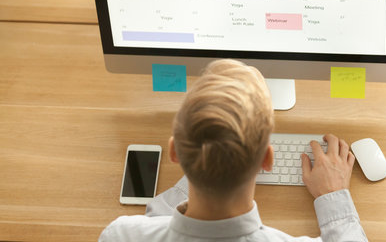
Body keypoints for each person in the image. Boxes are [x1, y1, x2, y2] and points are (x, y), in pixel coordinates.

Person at [99, 59, 368, 241]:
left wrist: (209, 152)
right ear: (267, 158)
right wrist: (334, 195)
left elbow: (156, 219)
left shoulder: (120, 235)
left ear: (174, 152)